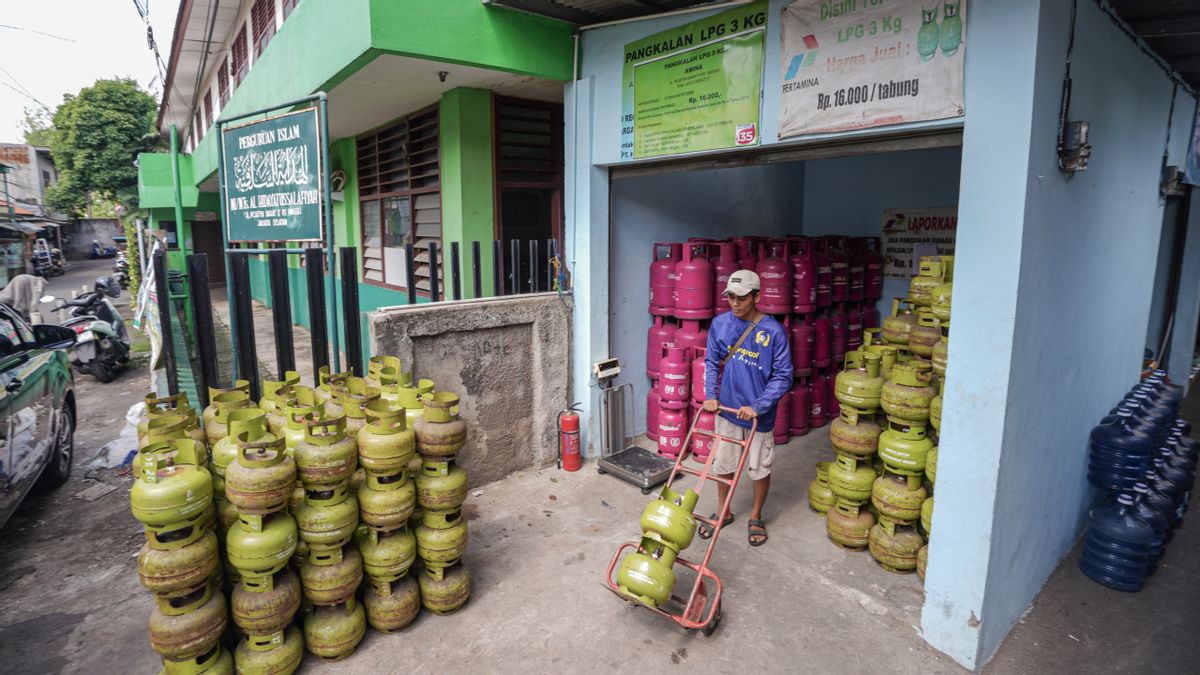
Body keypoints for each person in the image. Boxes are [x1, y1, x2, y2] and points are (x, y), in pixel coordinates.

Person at [697, 269, 792, 547]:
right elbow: (713, 362)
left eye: (741, 298)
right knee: (723, 464)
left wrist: (759, 406)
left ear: (757, 296)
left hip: (757, 417)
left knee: (758, 468)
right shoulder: (720, 324)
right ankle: (724, 511)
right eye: (731, 298)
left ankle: (755, 515)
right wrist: (710, 395)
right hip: (726, 409)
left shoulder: (773, 331)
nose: (735, 304)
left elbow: (783, 375)